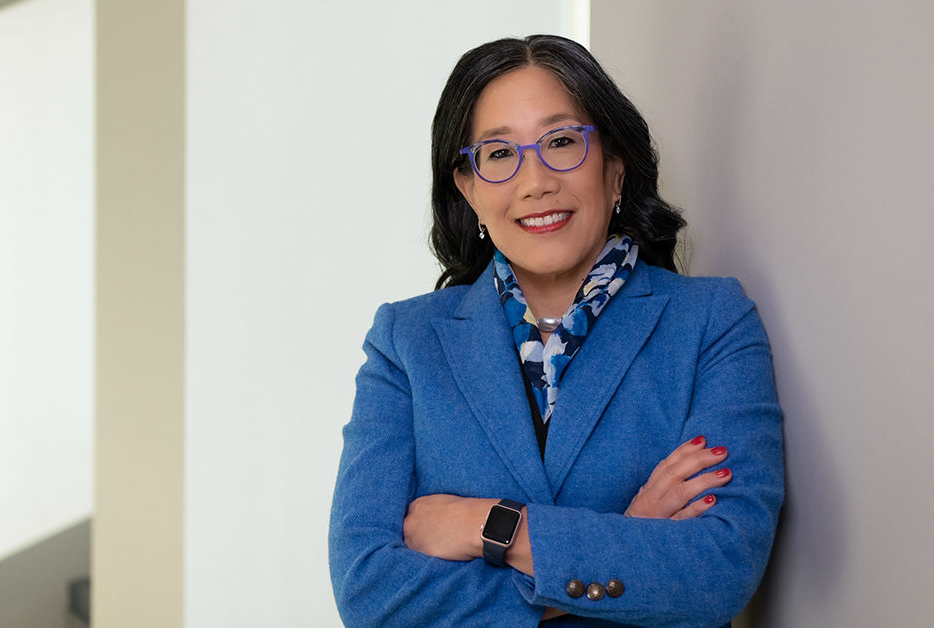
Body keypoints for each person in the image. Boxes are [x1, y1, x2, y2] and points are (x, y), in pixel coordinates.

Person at [328, 35, 783, 628]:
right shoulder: (405, 341)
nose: (535, 181)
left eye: (562, 141)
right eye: (499, 153)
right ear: (469, 188)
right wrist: (629, 539)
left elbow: (721, 569)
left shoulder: (711, 322)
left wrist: (492, 527)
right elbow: (368, 591)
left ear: (614, 167)